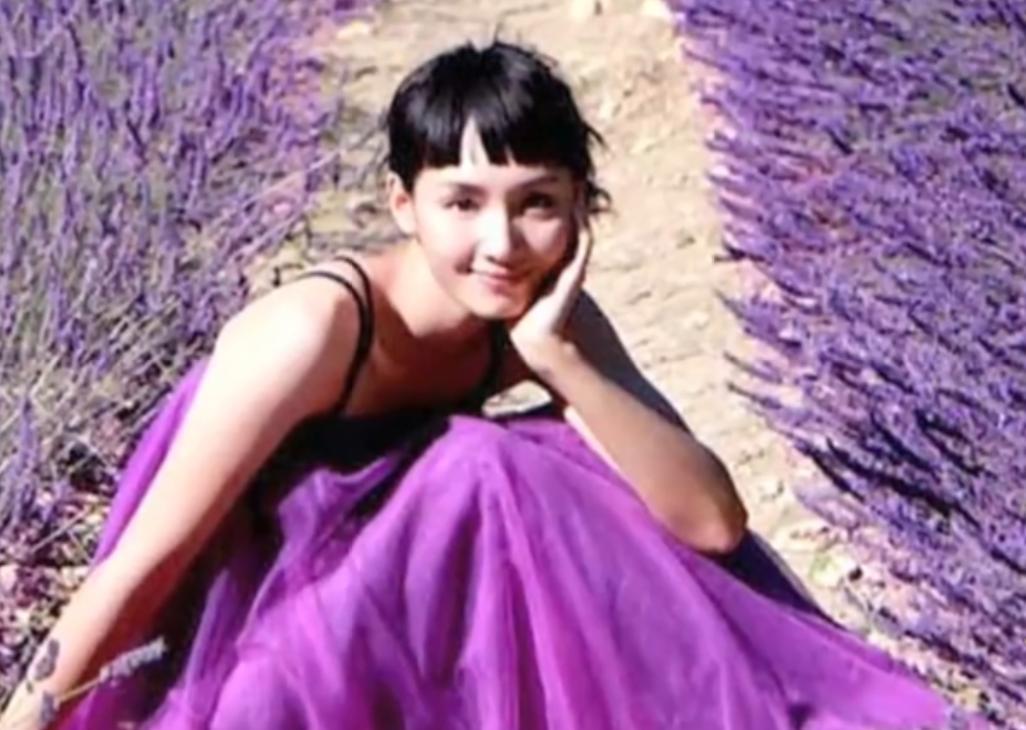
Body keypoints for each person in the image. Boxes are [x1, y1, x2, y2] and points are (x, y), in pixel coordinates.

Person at [2, 40, 961, 729]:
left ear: (581, 208)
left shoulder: (545, 318)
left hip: (405, 601)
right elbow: (144, 567)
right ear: (403, 203)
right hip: (253, 617)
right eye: (461, 203)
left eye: (538, 204)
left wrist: (561, 359)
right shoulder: (313, 330)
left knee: (562, 461)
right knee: (481, 467)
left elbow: (711, 524)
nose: (500, 244)